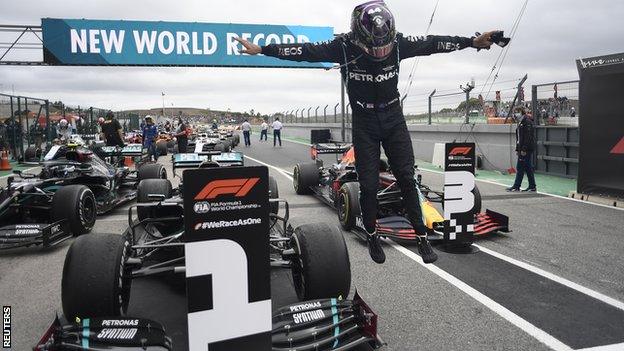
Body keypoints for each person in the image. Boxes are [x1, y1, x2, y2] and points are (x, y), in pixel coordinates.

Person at [235, 0, 499, 264]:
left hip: (393, 117)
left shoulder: (399, 44)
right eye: (374, 46)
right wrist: (262, 49)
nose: (381, 50)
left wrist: (473, 42)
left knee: (407, 178)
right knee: (369, 183)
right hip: (364, 120)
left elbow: (434, 43)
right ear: (359, 37)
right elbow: (303, 50)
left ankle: (421, 237)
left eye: (385, 45)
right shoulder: (342, 46)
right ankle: (372, 233)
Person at [507, 108, 536, 192]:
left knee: (520, 167)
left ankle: (517, 186)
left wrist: (523, 149)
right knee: (527, 167)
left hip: (526, 149)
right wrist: (517, 149)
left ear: (521, 112)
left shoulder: (527, 122)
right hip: (523, 148)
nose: (515, 114)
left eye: (517, 112)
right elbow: (519, 137)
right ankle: (532, 186)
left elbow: (528, 137)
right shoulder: (521, 122)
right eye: (514, 112)